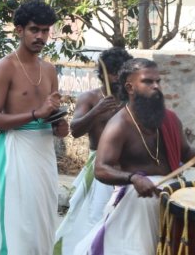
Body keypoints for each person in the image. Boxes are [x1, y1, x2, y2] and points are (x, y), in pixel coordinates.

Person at [74, 59, 195, 255]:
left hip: (169, 201)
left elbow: (188, 154)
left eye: (158, 81)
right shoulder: (119, 125)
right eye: (148, 82)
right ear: (130, 87)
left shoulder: (170, 119)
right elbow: (101, 168)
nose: (156, 86)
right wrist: (133, 178)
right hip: (136, 206)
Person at [0, 0, 68, 254]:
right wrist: (34, 114)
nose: (40, 36)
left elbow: (50, 117)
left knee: (43, 223)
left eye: (45, 30)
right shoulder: (5, 66)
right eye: (34, 30)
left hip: (43, 154)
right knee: (17, 225)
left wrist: (59, 126)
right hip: (15, 150)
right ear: (19, 30)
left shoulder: (49, 70)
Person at [53, 47, 132, 254]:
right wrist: (97, 111)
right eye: (113, 72)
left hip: (127, 168)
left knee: (121, 222)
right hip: (99, 166)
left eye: (121, 72)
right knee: (93, 220)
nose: (116, 77)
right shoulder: (90, 98)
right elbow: (76, 130)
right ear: (103, 73)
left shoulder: (133, 99)